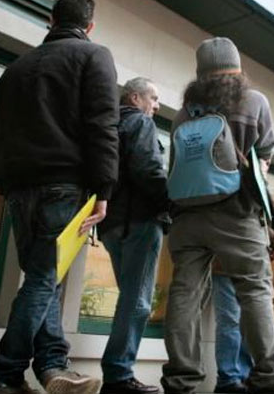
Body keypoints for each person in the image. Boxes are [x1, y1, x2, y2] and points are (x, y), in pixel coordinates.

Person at [0, 0, 118, 394]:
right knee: (43, 279)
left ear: (50, 20)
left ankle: (52, 368)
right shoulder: (94, 57)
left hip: (18, 190)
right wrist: (105, 188)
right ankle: (6, 376)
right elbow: (102, 127)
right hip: (64, 187)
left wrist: (3, 183)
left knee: (45, 280)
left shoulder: (15, 69)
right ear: (89, 26)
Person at [161, 37, 274, 394]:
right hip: (236, 214)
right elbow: (265, 153)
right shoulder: (254, 101)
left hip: (187, 219)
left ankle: (181, 379)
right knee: (254, 291)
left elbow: (175, 168)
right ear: (237, 69)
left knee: (185, 294)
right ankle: (273, 378)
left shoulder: (184, 113)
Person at [98, 77, 169, 394]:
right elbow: (148, 169)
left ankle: (117, 372)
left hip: (111, 224)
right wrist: (174, 202)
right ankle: (118, 375)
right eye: (153, 98)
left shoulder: (107, 124)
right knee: (137, 302)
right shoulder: (140, 122)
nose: (157, 106)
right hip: (140, 221)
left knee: (130, 298)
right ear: (135, 97)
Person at [211, 274, 254, 393]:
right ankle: (228, 380)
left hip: (249, 266)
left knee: (244, 321)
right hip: (226, 265)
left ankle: (241, 376)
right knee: (230, 320)